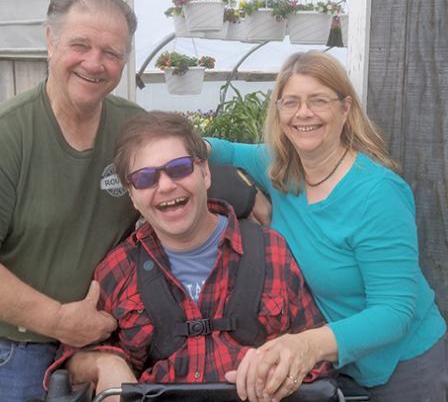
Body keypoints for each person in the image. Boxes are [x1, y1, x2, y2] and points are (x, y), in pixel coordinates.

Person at [206, 51, 448, 402]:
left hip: (403, 368)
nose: (303, 113)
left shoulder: (377, 193)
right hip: (338, 362)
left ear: (345, 107)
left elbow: (395, 311)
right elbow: (222, 151)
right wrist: (176, 149)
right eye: (290, 102)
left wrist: (306, 345)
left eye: (318, 100)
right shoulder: (280, 167)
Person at [45, 111, 331, 399]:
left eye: (179, 168)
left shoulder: (271, 252)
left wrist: (287, 362)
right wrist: (104, 364)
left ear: (205, 173)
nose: (166, 185)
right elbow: (71, 359)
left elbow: (318, 353)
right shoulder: (118, 268)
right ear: (132, 195)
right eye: (145, 178)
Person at [0, 0, 146, 401]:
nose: (94, 64)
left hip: (104, 344)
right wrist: (61, 320)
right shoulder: (10, 135)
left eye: (112, 52)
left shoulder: (131, 129)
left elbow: (181, 174)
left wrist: (249, 191)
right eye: (79, 45)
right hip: (16, 352)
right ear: (50, 41)